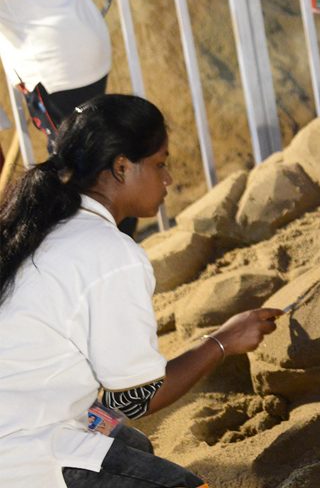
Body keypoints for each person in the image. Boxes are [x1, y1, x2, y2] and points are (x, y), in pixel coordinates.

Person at [0, 94, 283, 487]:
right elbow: (134, 398)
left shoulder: (38, 223)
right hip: (23, 454)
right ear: (120, 167)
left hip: (19, 419)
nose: (168, 178)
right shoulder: (109, 252)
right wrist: (223, 341)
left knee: (128, 442)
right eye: (159, 164)